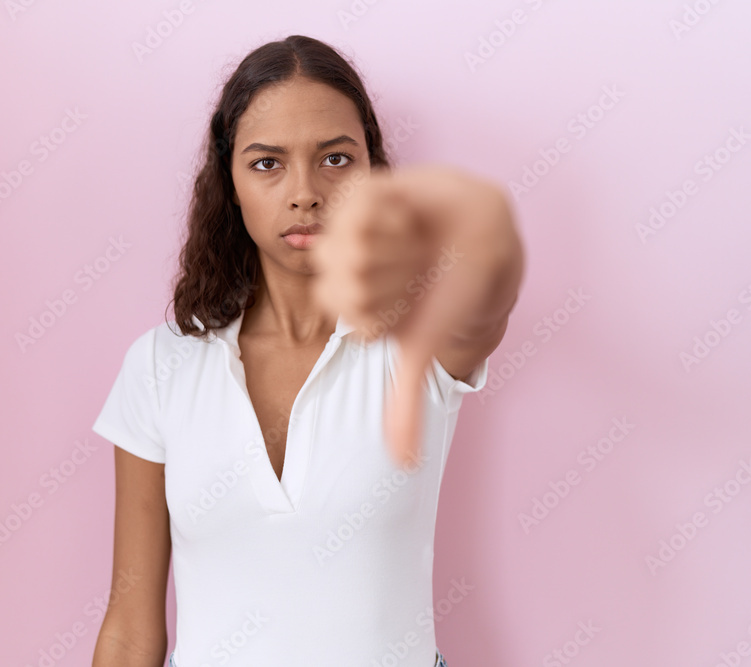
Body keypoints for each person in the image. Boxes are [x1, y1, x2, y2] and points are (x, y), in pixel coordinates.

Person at [90, 34, 523, 667]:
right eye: (268, 162)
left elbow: (489, 294)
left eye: (336, 160)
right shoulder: (160, 366)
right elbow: (130, 629)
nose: (305, 193)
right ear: (230, 180)